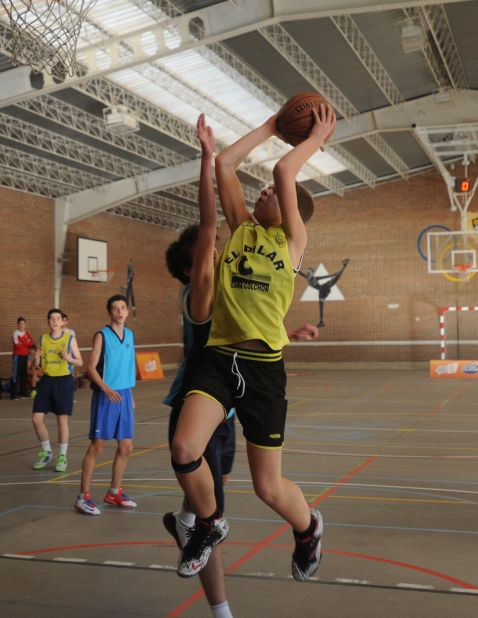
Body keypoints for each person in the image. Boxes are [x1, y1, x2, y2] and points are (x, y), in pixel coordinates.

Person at [170, 104, 333, 582]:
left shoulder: (291, 243)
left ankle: (307, 528)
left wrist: (312, 138)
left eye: (275, 194)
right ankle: (209, 522)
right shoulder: (241, 227)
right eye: (263, 189)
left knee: (267, 487)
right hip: (220, 358)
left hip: (263, 371)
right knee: (184, 447)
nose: (266, 189)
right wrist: (270, 126)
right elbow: (225, 164)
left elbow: (283, 170)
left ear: (291, 212)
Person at [161, 114, 236, 617]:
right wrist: (209, 159)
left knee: (202, 516)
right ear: (192, 267)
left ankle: (184, 523)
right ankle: (222, 612)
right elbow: (210, 225)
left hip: (223, 413)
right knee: (213, 523)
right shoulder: (198, 293)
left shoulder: (221, 295)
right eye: (207, 253)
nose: (217, 253)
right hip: (197, 412)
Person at [74, 295, 138, 515]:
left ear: (127, 312)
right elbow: (90, 368)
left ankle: (114, 492)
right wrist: (106, 388)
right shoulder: (101, 335)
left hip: (124, 396)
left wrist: (129, 393)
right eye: (115, 308)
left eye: (123, 308)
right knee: (98, 446)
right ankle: (83, 498)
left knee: (126, 447)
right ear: (110, 313)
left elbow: (127, 366)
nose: (120, 311)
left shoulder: (130, 335)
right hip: (106, 395)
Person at [32, 309, 82, 473]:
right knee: (36, 419)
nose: (55, 321)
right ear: (48, 322)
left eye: (58, 318)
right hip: (47, 380)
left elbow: (80, 362)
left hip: (63, 381)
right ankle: (47, 453)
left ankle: (62, 456)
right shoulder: (43, 339)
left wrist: (69, 358)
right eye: (52, 318)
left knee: (61, 420)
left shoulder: (69, 339)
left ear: (62, 322)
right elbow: (37, 366)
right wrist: (36, 358)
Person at [303, 259, 349, 328]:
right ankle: (321, 321)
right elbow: (299, 272)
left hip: (324, 287)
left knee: (335, 278)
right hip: (322, 292)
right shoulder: (307, 278)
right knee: (321, 307)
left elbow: (324, 277)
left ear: (312, 272)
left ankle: (344, 266)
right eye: (308, 272)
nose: (308, 273)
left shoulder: (315, 278)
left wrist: (333, 274)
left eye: (309, 272)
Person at [11, 317, 35, 399]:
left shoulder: (26, 333)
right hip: (17, 356)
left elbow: (31, 343)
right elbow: (17, 345)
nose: (22, 325)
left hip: (25, 356)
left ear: (25, 324)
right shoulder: (15, 333)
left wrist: (22, 342)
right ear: (18, 324)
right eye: (20, 324)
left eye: (23, 323)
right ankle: (13, 394)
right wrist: (25, 342)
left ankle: (23, 392)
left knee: (24, 374)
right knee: (16, 374)